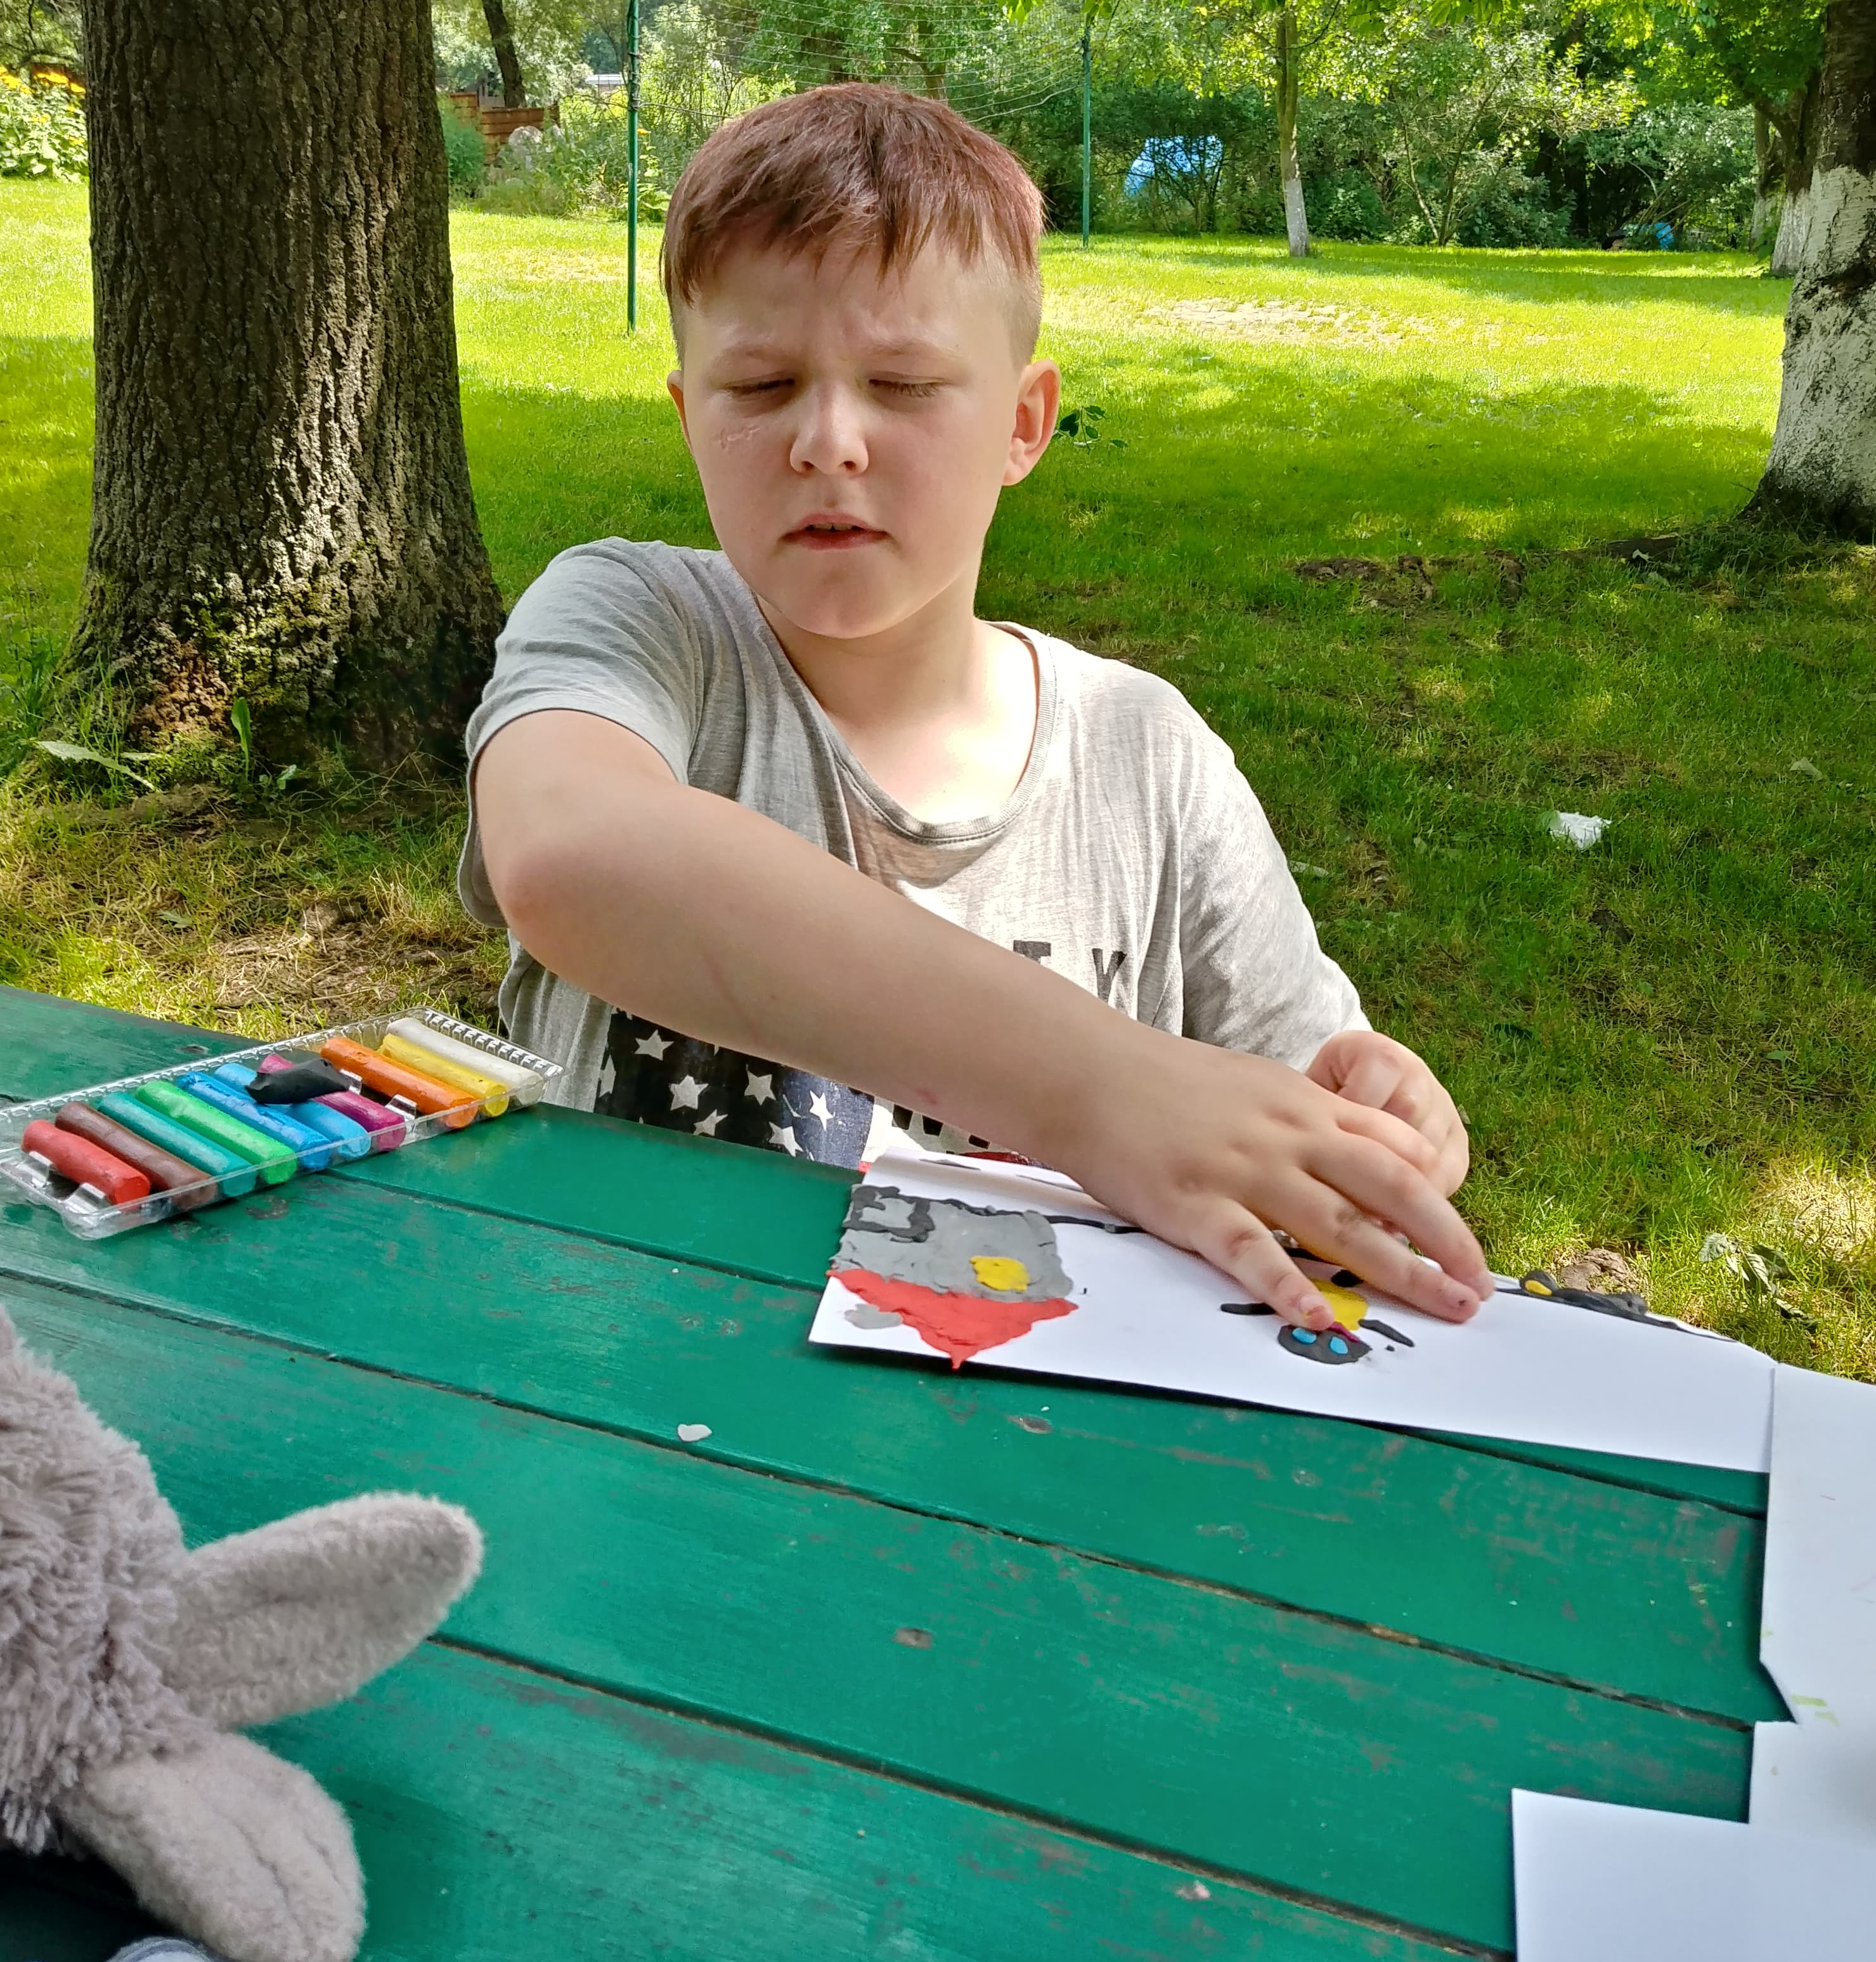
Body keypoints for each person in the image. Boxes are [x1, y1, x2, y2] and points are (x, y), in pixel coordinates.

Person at [461, 84, 1489, 1330]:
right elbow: (572, 853)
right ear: (690, 418)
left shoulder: (1149, 760)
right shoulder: (640, 622)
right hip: (619, 1391)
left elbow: (1298, 1117)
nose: (828, 441)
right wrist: (1102, 1090)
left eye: (901, 383)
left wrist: (1380, 1120)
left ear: (1022, 422)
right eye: (762, 384)